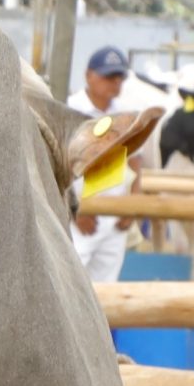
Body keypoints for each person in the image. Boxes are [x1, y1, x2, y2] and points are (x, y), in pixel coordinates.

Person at [68, 45, 136, 283]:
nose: (115, 83)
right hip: (79, 216)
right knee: (70, 282)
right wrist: (73, 210)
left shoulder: (125, 116)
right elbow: (54, 165)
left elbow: (136, 163)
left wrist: (132, 207)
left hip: (113, 216)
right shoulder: (69, 110)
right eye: (109, 76)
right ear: (89, 75)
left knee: (106, 288)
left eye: (119, 77)